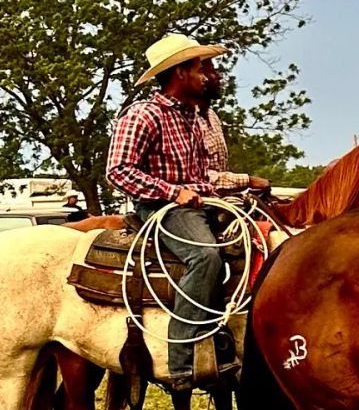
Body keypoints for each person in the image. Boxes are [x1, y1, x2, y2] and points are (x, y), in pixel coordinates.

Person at [106, 32, 268, 390]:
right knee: (205, 256)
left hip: (196, 203)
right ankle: (179, 357)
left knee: (260, 241)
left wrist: (240, 188)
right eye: (199, 68)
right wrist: (172, 192)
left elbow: (199, 178)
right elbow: (118, 170)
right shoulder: (143, 116)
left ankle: (230, 338)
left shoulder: (193, 117)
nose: (207, 75)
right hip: (161, 208)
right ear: (179, 73)